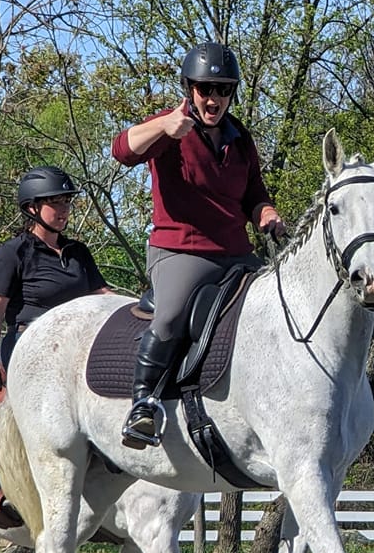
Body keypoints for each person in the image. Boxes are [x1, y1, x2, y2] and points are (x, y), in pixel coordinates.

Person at [111, 41, 287, 447]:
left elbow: (254, 194)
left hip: (236, 254)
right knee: (171, 315)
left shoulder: (239, 137)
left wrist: (265, 213)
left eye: (224, 90)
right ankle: (143, 405)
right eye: (206, 89)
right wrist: (163, 128)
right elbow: (121, 150)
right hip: (181, 251)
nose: (214, 98)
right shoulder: (170, 126)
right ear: (189, 88)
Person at [0, 164, 109, 526]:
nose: (64, 209)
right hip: (27, 344)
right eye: (55, 202)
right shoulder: (14, 253)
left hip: (75, 345)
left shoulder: (78, 253)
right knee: (28, 411)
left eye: (67, 201)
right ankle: (3, 491)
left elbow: (104, 295)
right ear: (32, 208)